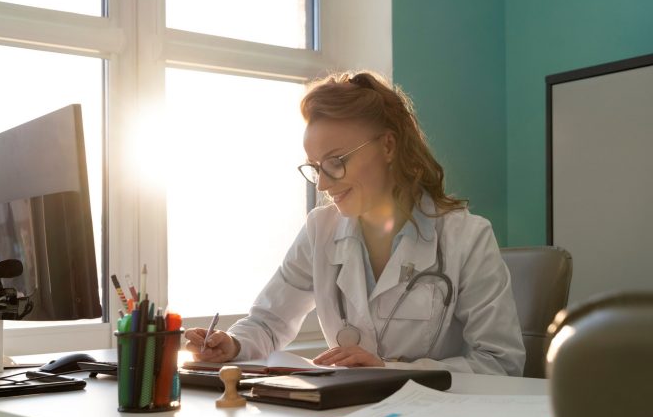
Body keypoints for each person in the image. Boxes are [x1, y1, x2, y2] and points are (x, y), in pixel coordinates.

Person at [184, 71, 525, 376]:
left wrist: (387, 370)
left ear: (388, 146)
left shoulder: (466, 237)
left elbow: (501, 363)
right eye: (316, 166)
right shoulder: (321, 230)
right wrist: (233, 344)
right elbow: (269, 322)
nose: (322, 184)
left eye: (335, 162)